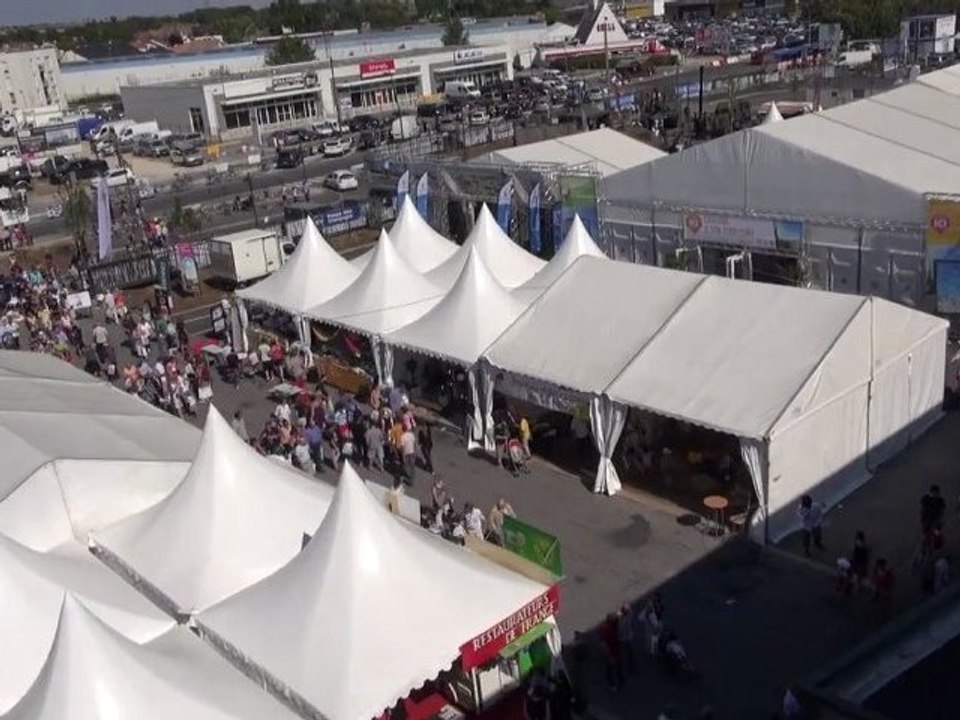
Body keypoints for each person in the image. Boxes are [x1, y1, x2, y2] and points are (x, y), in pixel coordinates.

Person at [598, 612, 624, 691]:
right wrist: (609, 656)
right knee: (610, 669)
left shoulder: (611, 625)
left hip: (616, 650)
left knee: (618, 665)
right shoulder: (606, 629)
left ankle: (620, 679)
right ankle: (612, 684)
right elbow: (604, 645)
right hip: (611, 652)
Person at [617, 603, 636, 673]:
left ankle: (627, 667)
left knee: (625, 653)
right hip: (627, 638)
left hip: (623, 638)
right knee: (628, 653)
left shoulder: (620, 618)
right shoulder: (627, 618)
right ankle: (629, 667)